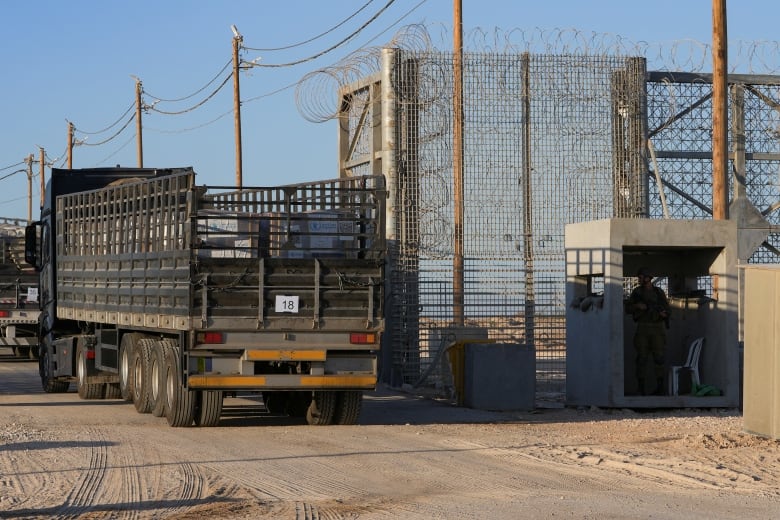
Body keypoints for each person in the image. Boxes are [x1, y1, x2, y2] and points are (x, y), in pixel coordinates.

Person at [626, 267, 670, 395]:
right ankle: (641, 389)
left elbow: (667, 309)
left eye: (640, 277)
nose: (639, 279)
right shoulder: (637, 292)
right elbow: (628, 308)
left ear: (647, 278)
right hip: (643, 328)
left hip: (657, 329)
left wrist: (664, 314)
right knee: (641, 359)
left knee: (659, 359)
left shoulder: (658, 292)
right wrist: (637, 306)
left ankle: (660, 388)